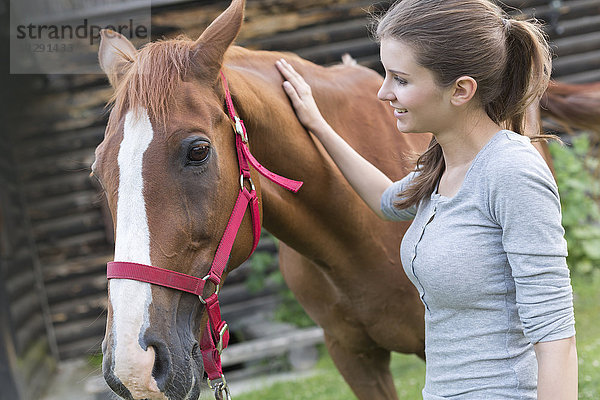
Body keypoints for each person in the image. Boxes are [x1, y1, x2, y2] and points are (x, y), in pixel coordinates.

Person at [275, 0, 577, 398]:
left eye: (400, 79)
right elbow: (385, 199)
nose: (383, 93)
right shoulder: (442, 167)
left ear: (461, 90)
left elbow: (556, 335)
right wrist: (317, 123)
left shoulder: (511, 171)